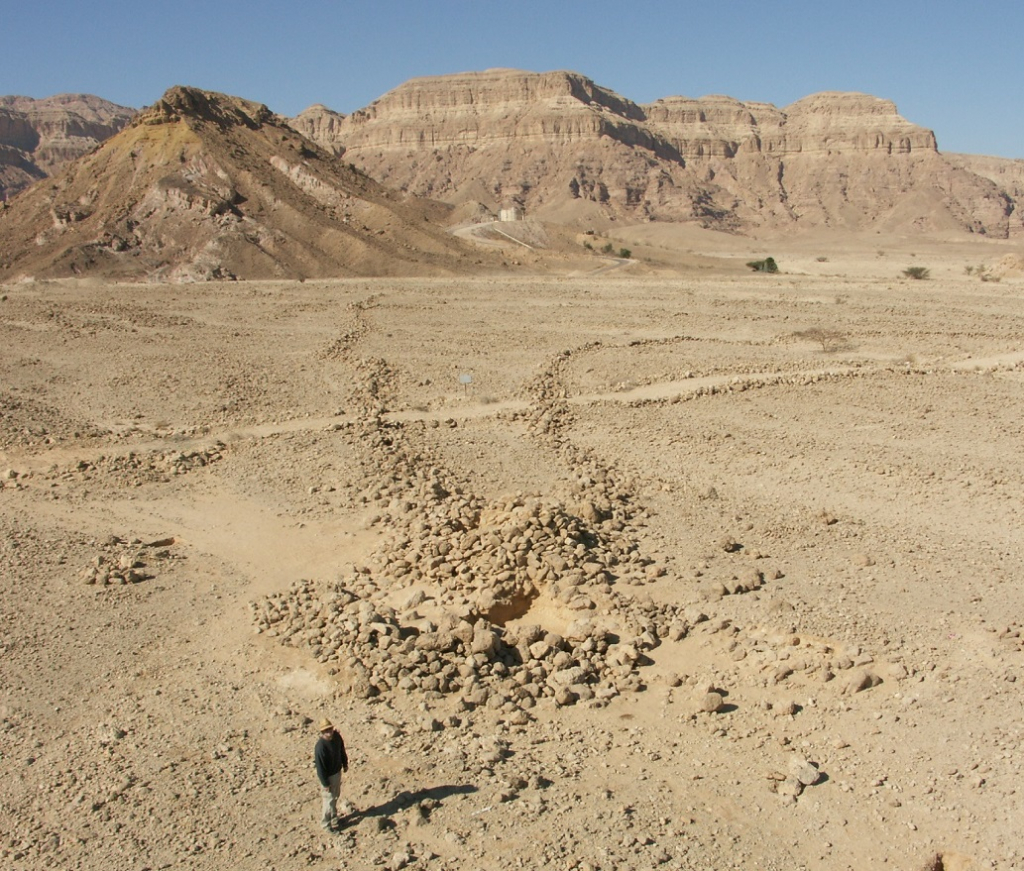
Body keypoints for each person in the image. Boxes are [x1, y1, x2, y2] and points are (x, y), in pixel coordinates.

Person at [314, 717, 349, 831]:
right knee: (328, 800)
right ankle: (326, 824)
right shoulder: (320, 747)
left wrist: (345, 763)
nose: (329, 732)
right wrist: (325, 783)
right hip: (328, 777)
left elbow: (341, 750)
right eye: (326, 731)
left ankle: (334, 819)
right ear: (322, 732)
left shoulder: (337, 737)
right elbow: (320, 767)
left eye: (330, 729)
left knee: (335, 797)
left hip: (336, 773)